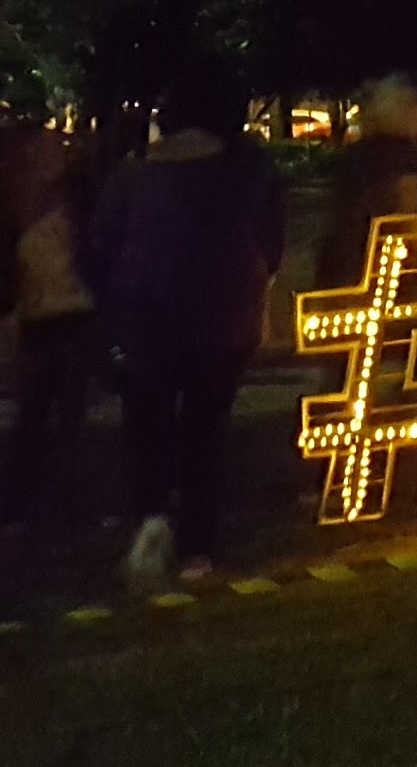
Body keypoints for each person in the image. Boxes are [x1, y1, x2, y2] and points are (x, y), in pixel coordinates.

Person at [85, 74, 288, 590]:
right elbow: (271, 244)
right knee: (205, 429)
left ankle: (152, 521)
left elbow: (102, 247)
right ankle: (199, 547)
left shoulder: (133, 173)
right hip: (224, 318)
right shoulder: (251, 170)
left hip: (143, 317)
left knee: (146, 423)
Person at [3, 127, 101, 527]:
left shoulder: (76, 199)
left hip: (72, 315)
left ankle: (57, 505)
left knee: (63, 417)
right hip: (43, 317)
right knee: (38, 415)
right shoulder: (22, 206)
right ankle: (31, 504)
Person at [318, 74, 417, 290]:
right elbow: (415, 224)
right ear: (405, 109)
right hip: (394, 280)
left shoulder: (357, 156)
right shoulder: (402, 158)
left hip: (343, 274)